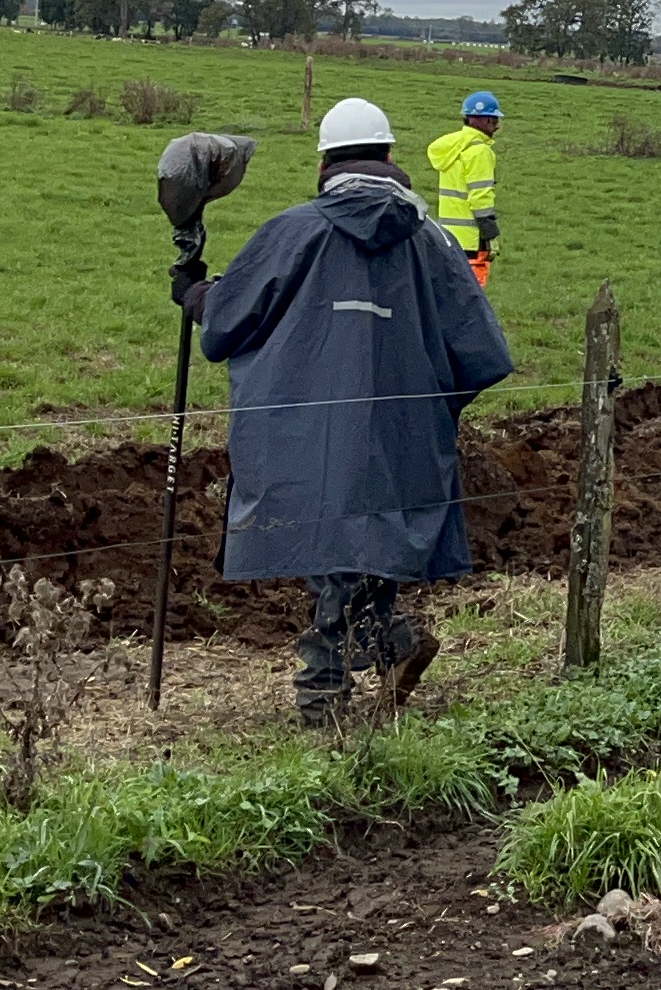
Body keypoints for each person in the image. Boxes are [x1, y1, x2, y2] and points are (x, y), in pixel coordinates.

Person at [173, 96, 513, 725]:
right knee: (369, 540)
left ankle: (322, 697)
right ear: (390, 157)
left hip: (311, 429)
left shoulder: (293, 231)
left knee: (336, 543)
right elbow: (483, 350)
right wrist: (427, 407)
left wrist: (197, 295)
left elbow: (226, 326)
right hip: (403, 435)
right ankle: (393, 646)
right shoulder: (433, 241)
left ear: (325, 162)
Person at [426, 91, 503, 288]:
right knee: (471, 298)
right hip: (471, 238)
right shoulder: (480, 151)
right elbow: (480, 196)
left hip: (447, 235)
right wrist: (489, 232)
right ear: (484, 120)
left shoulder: (453, 148)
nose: (497, 126)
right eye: (494, 121)